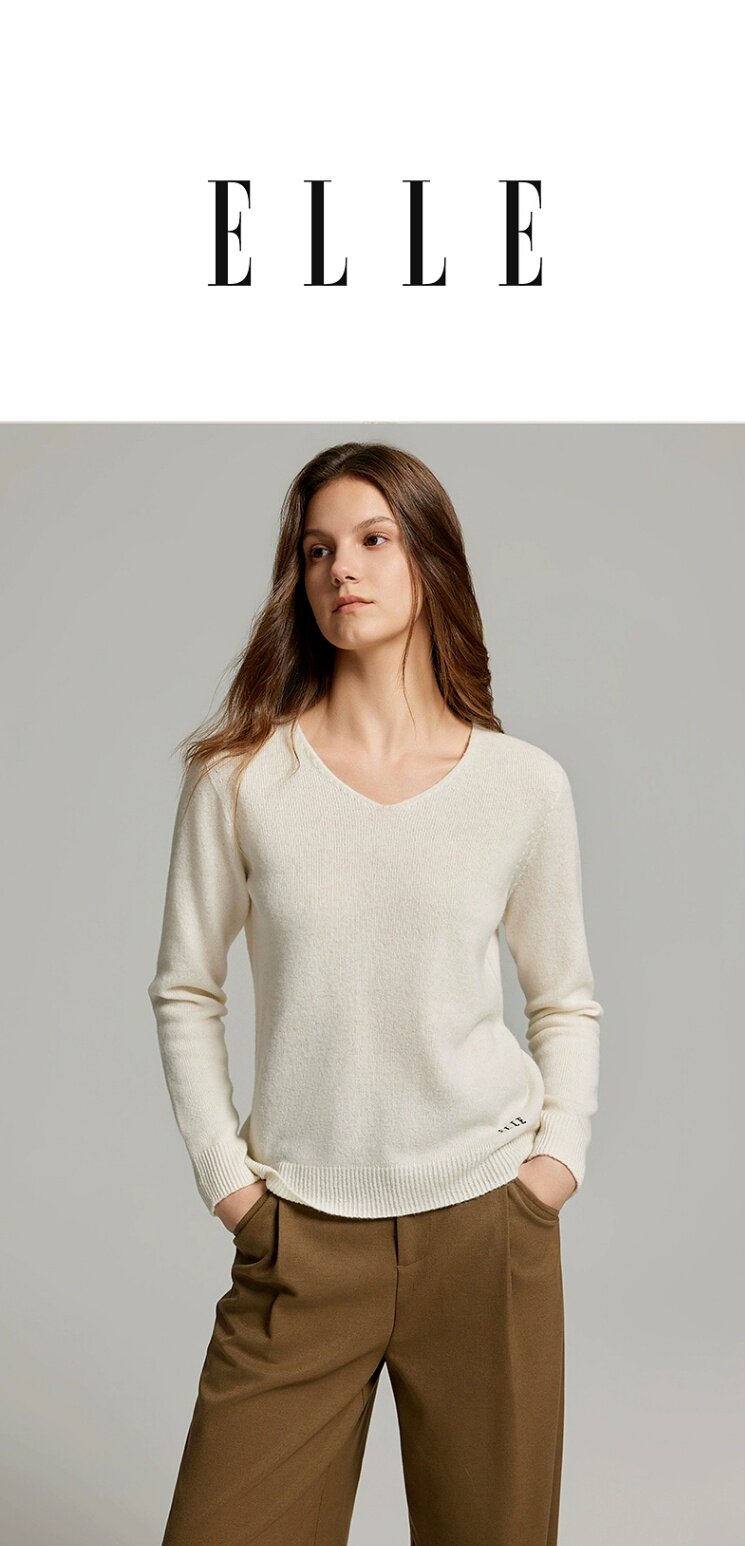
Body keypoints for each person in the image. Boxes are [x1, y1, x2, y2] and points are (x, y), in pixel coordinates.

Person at [147, 440, 603, 1546]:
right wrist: (231, 1186)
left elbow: (564, 999)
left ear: (428, 558)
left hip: (486, 1228)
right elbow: (186, 989)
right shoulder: (241, 778)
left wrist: (553, 1165)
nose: (340, 568)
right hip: (299, 1239)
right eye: (316, 550)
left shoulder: (522, 787)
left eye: (372, 539)